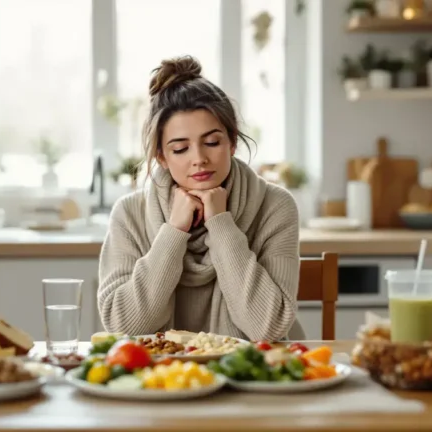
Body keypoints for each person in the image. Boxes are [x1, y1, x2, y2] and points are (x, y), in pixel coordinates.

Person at [97, 55, 304, 342]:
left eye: (212, 142)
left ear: (232, 142)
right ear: (162, 157)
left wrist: (220, 223)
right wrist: (174, 231)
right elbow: (124, 328)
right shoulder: (129, 213)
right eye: (180, 149)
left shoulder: (275, 205)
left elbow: (269, 329)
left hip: (253, 366)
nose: (199, 159)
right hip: (164, 369)